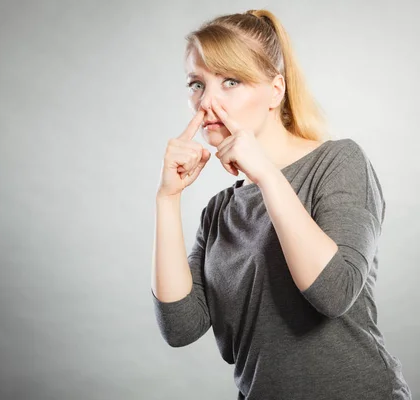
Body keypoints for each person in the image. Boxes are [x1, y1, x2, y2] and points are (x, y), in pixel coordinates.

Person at [151, 8, 412, 400]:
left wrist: (268, 175)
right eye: (196, 84)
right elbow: (180, 326)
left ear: (276, 90)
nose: (207, 103)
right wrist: (167, 199)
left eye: (230, 81)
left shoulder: (337, 162)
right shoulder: (221, 210)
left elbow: (333, 293)